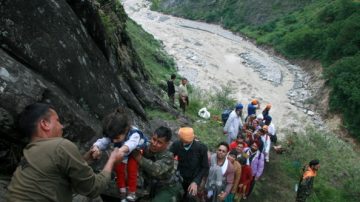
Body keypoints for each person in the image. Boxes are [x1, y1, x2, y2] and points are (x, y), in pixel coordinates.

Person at [5, 103, 123, 201]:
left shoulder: (29, 151)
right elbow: (93, 188)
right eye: (57, 121)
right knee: (94, 198)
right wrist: (112, 161)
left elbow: (58, 171)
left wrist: (87, 160)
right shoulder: (60, 145)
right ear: (45, 124)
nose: (62, 126)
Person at [90, 108, 147, 201]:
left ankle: (132, 192)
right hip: (122, 151)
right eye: (113, 138)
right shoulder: (115, 133)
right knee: (118, 168)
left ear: (125, 130)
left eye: (116, 138)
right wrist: (96, 147)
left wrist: (120, 151)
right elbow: (104, 141)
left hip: (135, 151)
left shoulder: (135, 133)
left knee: (131, 169)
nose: (114, 140)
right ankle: (122, 189)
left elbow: (131, 144)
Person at [132, 126, 184, 202]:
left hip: (168, 188)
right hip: (151, 185)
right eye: (153, 139)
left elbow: (156, 170)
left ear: (167, 144)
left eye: (159, 142)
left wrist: (138, 157)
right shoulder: (145, 145)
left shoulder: (168, 156)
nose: (154, 144)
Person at [170, 127, 209, 202]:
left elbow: (205, 167)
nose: (183, 143)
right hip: (180, 177)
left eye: (186, 142)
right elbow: (168, 158)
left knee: (190, 197)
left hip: (194, 179)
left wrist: (196, 182)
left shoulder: (201, 148)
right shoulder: (177, 144)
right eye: (182, 141)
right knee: (174, 196)